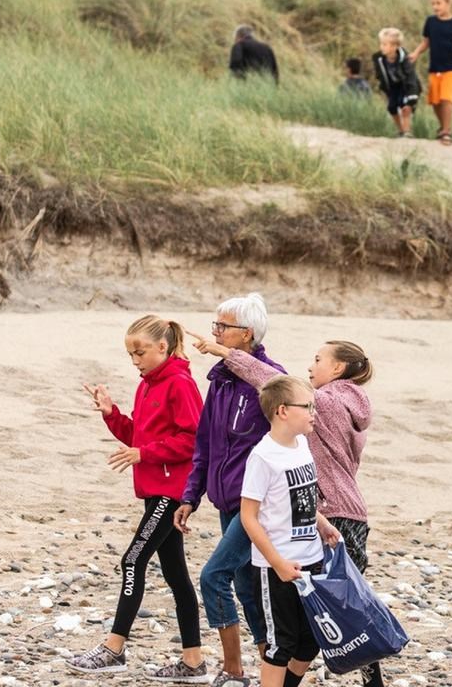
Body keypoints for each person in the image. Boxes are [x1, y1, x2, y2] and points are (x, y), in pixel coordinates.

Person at [209, 339, 385, 687]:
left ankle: (371, 680)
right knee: (314, 624)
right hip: (320, 531)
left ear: (337, 369)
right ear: (284, 411)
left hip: (332, 518)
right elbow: (257, 512)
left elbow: (270, 379)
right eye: (307, 407)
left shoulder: (327, 407)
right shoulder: (276, 450)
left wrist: (228, 354)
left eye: (318, 359)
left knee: (337, 616)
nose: (310, 366)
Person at [73, 315, 208, 683]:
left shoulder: (180, 383)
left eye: (141, 352)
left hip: (171, 491)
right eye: (130, 353)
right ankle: (193, 662)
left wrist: (144, 455)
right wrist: (112, 415)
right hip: (153, 491)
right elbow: (139, 436)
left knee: (132, 560)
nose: (135, 359)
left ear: (162, 347)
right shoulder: (147, 385)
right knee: (176, 575)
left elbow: (194, 439)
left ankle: (113, 649)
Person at [176, 293, 286, 687]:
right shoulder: (219, 382)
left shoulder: (271, 379)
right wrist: (191, 495)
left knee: (214, 576)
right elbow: (205, 443)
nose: (216, 332)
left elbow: (283, 391)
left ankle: (235, 670)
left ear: (247, 335)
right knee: (244, 583)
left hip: (256, 504)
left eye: (224, 327)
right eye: (215, 325)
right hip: (226, 499)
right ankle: (271, 666)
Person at [240, 375, 343, 687]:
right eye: (307, 406)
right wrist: (278, 563)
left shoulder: (302, 445)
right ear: (283, 411)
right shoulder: (262, 457)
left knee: (312, 638)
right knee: (280, 643)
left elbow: (302, 497)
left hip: (311, 558)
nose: (314, 412)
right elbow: (248, 517)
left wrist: (320, 522)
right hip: (277, 567)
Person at [408, 0, 452, 145]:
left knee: (446, 99)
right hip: (434, 67)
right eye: (433, 4)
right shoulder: (430, 21)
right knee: (435, 102)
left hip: (451, 68)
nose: (435, 7)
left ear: (449, 3)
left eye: (439, 3)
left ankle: (447, 132)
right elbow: (426, 42)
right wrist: (415, 53)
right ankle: (443, 127)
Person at [373, 27, 422, 138]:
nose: (382, 47)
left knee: (405, 107)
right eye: (381, 44)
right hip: (393, 87)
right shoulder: (378, 58)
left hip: (407, 87)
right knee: (392, 107)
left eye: (385, 44)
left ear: (395, 47)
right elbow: (380, 74)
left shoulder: (405, 60)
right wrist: (383, 86)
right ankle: (401, 131)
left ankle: (407, 132)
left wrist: (412, 97)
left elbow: (411, 78)